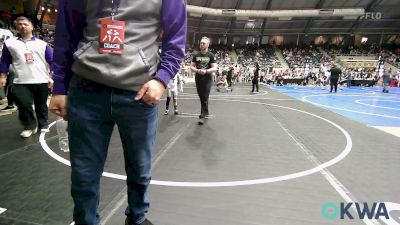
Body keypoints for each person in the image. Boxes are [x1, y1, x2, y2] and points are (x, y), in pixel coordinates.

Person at [49, 0, 186, 225]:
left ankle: (137, 217)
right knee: (84, 173)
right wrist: (60, 86)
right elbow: (66, 34)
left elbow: (176, 39)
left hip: (139, 93)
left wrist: (162, 80)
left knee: (140, 169)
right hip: (86, 90)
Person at [0, 16, 53, 137]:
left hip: (41, 79)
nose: (22, 26)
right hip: (20, 80)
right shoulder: (10, 43)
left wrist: (51, 76)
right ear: (16, 26)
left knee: (41, 104)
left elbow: (52, 61)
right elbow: (5, 61)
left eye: (25, 24)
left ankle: (43, 123)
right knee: (23, 104)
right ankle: (29, 126)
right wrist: (3, 76)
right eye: (19, 24)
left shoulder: (43, 44)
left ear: (32, 27)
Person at [190, 36, 218, 125]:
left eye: (203, 43)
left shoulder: (211, 55)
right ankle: (206, 110)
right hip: (198, 77)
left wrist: (206, 71)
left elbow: (215, 67)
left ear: (208, 45)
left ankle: (202, 115)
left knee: (205, 96)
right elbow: (191, 66)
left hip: (207, 78)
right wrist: (197, 70)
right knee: (201, 96)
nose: (201, 44)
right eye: (201, 43)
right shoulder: (196, 55)